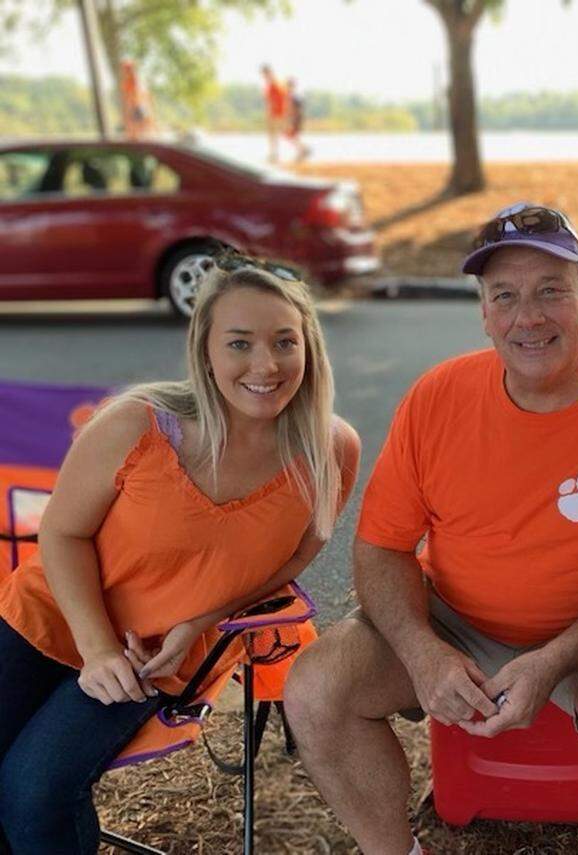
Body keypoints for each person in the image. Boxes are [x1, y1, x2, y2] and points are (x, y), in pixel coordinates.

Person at [284, 202, 578, 855]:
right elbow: (380, 547)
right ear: (484, 314)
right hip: (453, 618)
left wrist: (553, 659)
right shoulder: (438, 397)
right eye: (505, 296)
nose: (528, 316)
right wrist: (424, 654)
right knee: (316, 687)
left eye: (551, 291)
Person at [0, 255, 361, 854]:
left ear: (310, 347)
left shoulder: (329, 450)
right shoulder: (135, 425)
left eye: (284, 342)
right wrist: (95, 648)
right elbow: (61, 535)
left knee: (33, 792)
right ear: (206, 349)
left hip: (158, 654)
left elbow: (295, 559)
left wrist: (201, 621)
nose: (265, 366)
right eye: (240, 343)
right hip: (50, 614)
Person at [119, 59, 154, 142]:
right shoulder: (130, 81)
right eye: (125, 69)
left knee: (139, 133)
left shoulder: (134, 81)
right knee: (137, 133)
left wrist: (129, 110)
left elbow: (134, 97)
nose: (125, 71)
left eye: (127, 69)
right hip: (138, 108)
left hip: (137, 108)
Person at [261, 64, 289, 163]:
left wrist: (271, 112)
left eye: (264, 73)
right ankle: (274, 154)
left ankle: (274, 154)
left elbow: (275, 100)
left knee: (273, 134)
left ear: (268, 73)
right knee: (273, 134)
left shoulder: (274, 84)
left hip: (275, 113)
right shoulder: (274, 83)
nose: (263, 76)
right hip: (276, 112)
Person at [284, 77, 312, 163]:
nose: (288, 87)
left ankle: (304, 150)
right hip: (297, 119)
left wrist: (291, 120)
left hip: (295, 119)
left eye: (289, 85)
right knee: (291, 136)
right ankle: (303, 150)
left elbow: (294, 109)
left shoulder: (293, 96)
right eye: (288, 85)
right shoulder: (294, 96)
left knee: (291, 135)